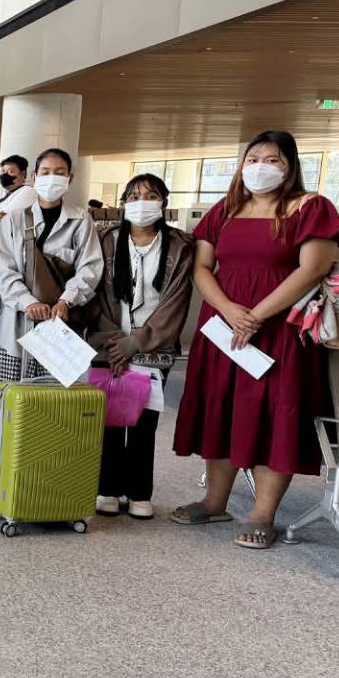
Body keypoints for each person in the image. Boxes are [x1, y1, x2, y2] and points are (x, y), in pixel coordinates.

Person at [171, 131, 339, 549]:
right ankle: (214, 501)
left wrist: (256, 316)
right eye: (252, 159)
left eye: (272, 159)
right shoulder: (225, 209)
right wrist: (230, 311)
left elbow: (313, 268)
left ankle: (262, 514)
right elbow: (202, 268)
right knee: (222, 407)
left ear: (290, 166)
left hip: (282, 330)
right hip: (224, 327)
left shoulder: (310, 207)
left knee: (273, 414)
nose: (260, 167)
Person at [84, 173, 194, 520]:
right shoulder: (106, 240)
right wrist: (117, 343)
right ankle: (107, 488)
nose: (141, 202)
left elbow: (175, 303)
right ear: (123, 203)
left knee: (144, 422)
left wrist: (135, 344)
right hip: (109, 343)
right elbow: (96, 296)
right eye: (133, 196)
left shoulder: (179, 247)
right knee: (110, 420)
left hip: (152, 348)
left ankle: (139, 492)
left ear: (163, 202)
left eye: (150, 195)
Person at [0, 148, 103, 382]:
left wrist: (66, 300)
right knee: (12, 398)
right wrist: (28, 302)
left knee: (55, 400)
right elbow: (5, 271)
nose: (52, 177)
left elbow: (90, 268)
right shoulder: (13, 221)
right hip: (17, 329)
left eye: (59, 172)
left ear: (70, 178)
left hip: (61, 330)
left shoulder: (81, 220)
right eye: (45, 172)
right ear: (35, 177)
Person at [0, 154, 38, 222]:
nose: (4, 174)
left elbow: (2, 217)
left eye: (10, 171)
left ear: (22, 174)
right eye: (3, 171)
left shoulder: (28, 192)